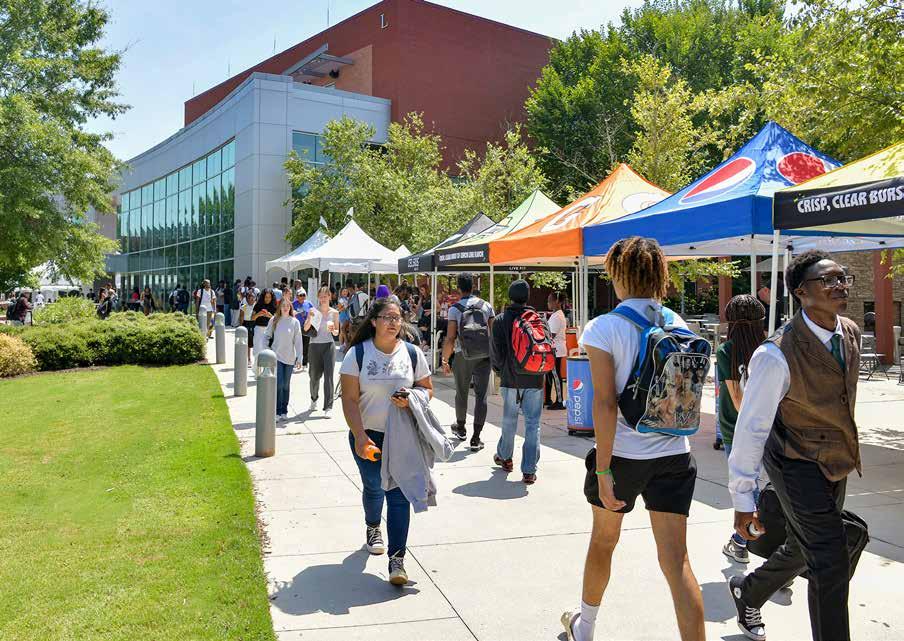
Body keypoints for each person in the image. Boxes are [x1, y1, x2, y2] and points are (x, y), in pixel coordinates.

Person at [562, 237, 704, 641]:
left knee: (604, 542)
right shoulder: (678, 323)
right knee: (677, 562)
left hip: (624, 454)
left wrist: (603, 470)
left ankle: (585, 628)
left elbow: (605, 404)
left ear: (618, 274)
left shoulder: (603, 327)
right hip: (675, 452)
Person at [728, 250, 861, 641]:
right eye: (828, 280)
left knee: (806, 548)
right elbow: (751, 428)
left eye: (843, 278)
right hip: (793, 460)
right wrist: (743, 497)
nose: (840, 286)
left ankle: (749, 591)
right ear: (801, 292)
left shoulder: (850, 333)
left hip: (835, 459)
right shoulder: (775, 354)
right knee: (830, 561)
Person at [339, 298, 433, 586]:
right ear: (374, 321)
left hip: (403, 436)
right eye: (387, 317)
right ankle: (372, 526)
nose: (394, 322)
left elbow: (427, 389)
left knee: (398, 494)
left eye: (397, 318)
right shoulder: (357, 354)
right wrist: (360, 436)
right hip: (369, 434)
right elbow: (350, 399)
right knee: (374, 486)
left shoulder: (412, 353)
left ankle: (397, 560)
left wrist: (412, 398)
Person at [717, 294, 766, 565]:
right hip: (767, 428)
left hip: (736, 430)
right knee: (760, 489)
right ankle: (742, 541)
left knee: (747, 490)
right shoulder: (769, 348)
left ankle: (744, 542)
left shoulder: (727, 350)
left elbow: (737, 399)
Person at [489, 279, 543, 483]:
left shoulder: (500, 320)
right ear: (527, 297)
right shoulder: (538, 319)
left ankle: (505, 457)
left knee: (509, 420)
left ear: (510, 296)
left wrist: (499, 371)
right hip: (535, 378)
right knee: (533, 424)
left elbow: (496, 352)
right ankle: (529, 470)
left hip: (510, 379)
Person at [441, 273, 494, 451]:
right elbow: (493, 333)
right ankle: (476, 438)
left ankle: (461, 428)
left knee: (461, 393)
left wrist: (445, 359)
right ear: (473, 286)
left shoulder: (455, 309)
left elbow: (450, 337)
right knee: (481, 396)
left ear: (459, 288)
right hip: (484, 355)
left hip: (462, 354)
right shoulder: (486, 306)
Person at [265, 295, 304, 422]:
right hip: (276, 357)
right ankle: (277, 411)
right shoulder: (274, 320)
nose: (286, 308)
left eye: (288, 306)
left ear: (290, 307)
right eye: (283, 306)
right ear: (280, 307)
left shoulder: (295, 322)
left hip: (290, 358)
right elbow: (266, 336)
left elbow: (298, 341)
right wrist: (267, 351)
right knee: (279, 384)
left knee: (286, 386)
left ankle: (284, 411)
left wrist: (299, 358)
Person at [304, 286, 341, 416]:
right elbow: (306, 328)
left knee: (329, 377)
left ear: (330, 297)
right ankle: (314, 399)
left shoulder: (334, 313)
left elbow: (337, 332)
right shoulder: (313, 311)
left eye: (325, 296)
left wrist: (333, 330)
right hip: (314, 346)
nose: (323, 299)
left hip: (329, 346)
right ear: (318, 297)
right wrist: (309, 318)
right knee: (314, 376)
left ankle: (328, 407)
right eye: (321, 297)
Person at [545, 292, 568, 410]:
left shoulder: (557, 316)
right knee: (549, 374)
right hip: (555, 349)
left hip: (556, 350)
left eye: (550, 300)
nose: (548, 303)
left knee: (555, 374)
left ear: (557, 302)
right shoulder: (556, 315)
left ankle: (559, 401)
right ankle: (548, 399)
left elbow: (551, 335)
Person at [251, 289, 276, 367]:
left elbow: (277, 320)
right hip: (258, 329)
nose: (267, 299)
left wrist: (270, 316)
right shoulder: (257, 305)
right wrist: (258, 314)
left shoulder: (274, 306)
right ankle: (256, 368)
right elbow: (252, 318)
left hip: (269, 330)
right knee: (257, 350)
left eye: (269, 297)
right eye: (266, 297)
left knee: (268, 349)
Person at [292, 289, 314, 371]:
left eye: (304, 295)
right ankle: (296, 362)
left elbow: (314, 313)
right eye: (300, 295)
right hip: (296, 327)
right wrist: (298, 313)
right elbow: (290, 313)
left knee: (306, 345)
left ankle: (304, 363)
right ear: (297, 296)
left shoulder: (309, 303)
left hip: (306, 327)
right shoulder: (293, 304)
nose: (302, 297)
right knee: (296, 345)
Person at [238, 290, 257, 366]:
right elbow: (241, 317)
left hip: (255, 324)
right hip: (246, 324)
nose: (251, 300)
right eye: (249, 298)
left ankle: (255, 358)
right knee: (248, 344)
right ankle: (249, 359)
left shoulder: (257, 306)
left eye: (253, 298)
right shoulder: (244, 307)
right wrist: (241, 326)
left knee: (255, 342)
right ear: (246, 299)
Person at [337, 287, 351, 351]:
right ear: (341, 292)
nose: (345, 292)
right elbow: (339, 310)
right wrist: (345, 307)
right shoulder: (340, 300)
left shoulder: (349, 299)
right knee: (342, 331)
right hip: (343, 316)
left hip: (349, 316)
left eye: (346, 291)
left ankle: (346, 344)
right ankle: (341, 345)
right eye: (344, 291)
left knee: (348, 331)